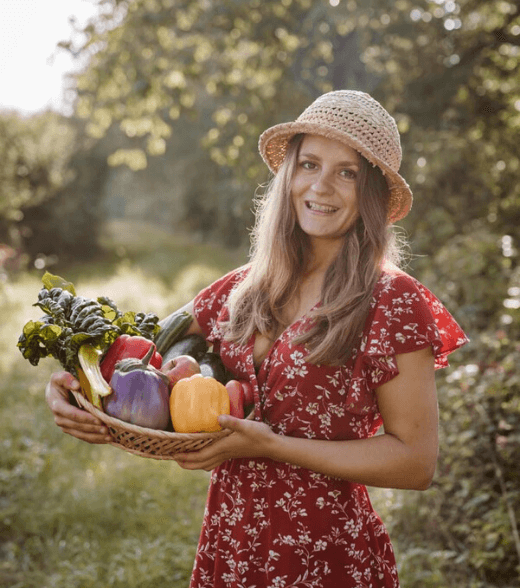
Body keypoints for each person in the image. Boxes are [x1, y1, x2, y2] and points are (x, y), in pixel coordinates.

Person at [46, 90, 469, 587]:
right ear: (289, 172)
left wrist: (270, 446)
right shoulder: (248, 284)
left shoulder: (393, 300)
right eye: (309, 163)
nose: (322, 186)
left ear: (372, 194)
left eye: (347, 172)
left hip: (325, 553)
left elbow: (415, 462)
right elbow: (146, 352)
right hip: (231, 540)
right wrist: (76, 383)